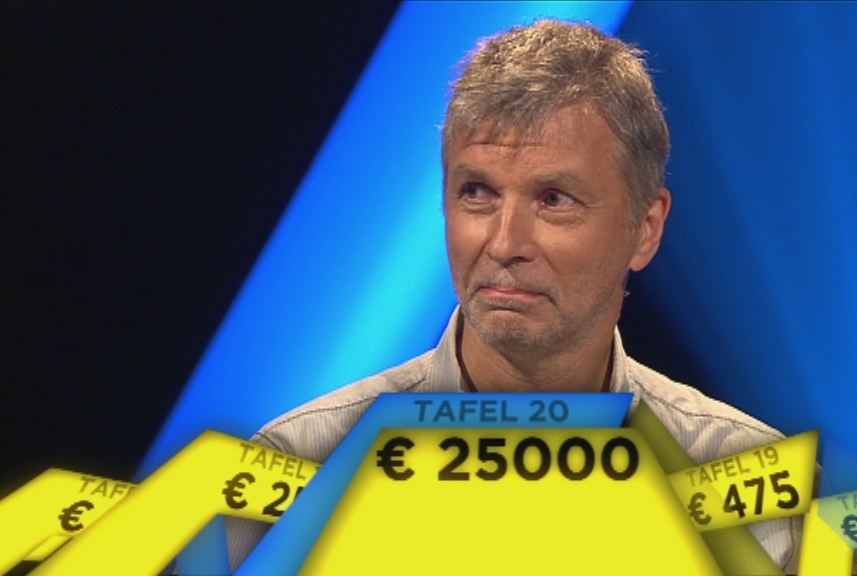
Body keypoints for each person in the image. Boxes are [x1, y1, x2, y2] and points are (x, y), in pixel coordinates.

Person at [227, 19, 800, 571]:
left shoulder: (757, 500)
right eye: (477, 192)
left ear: (645, 229)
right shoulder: (300, 470)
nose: (504, 244)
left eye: (553, 199)